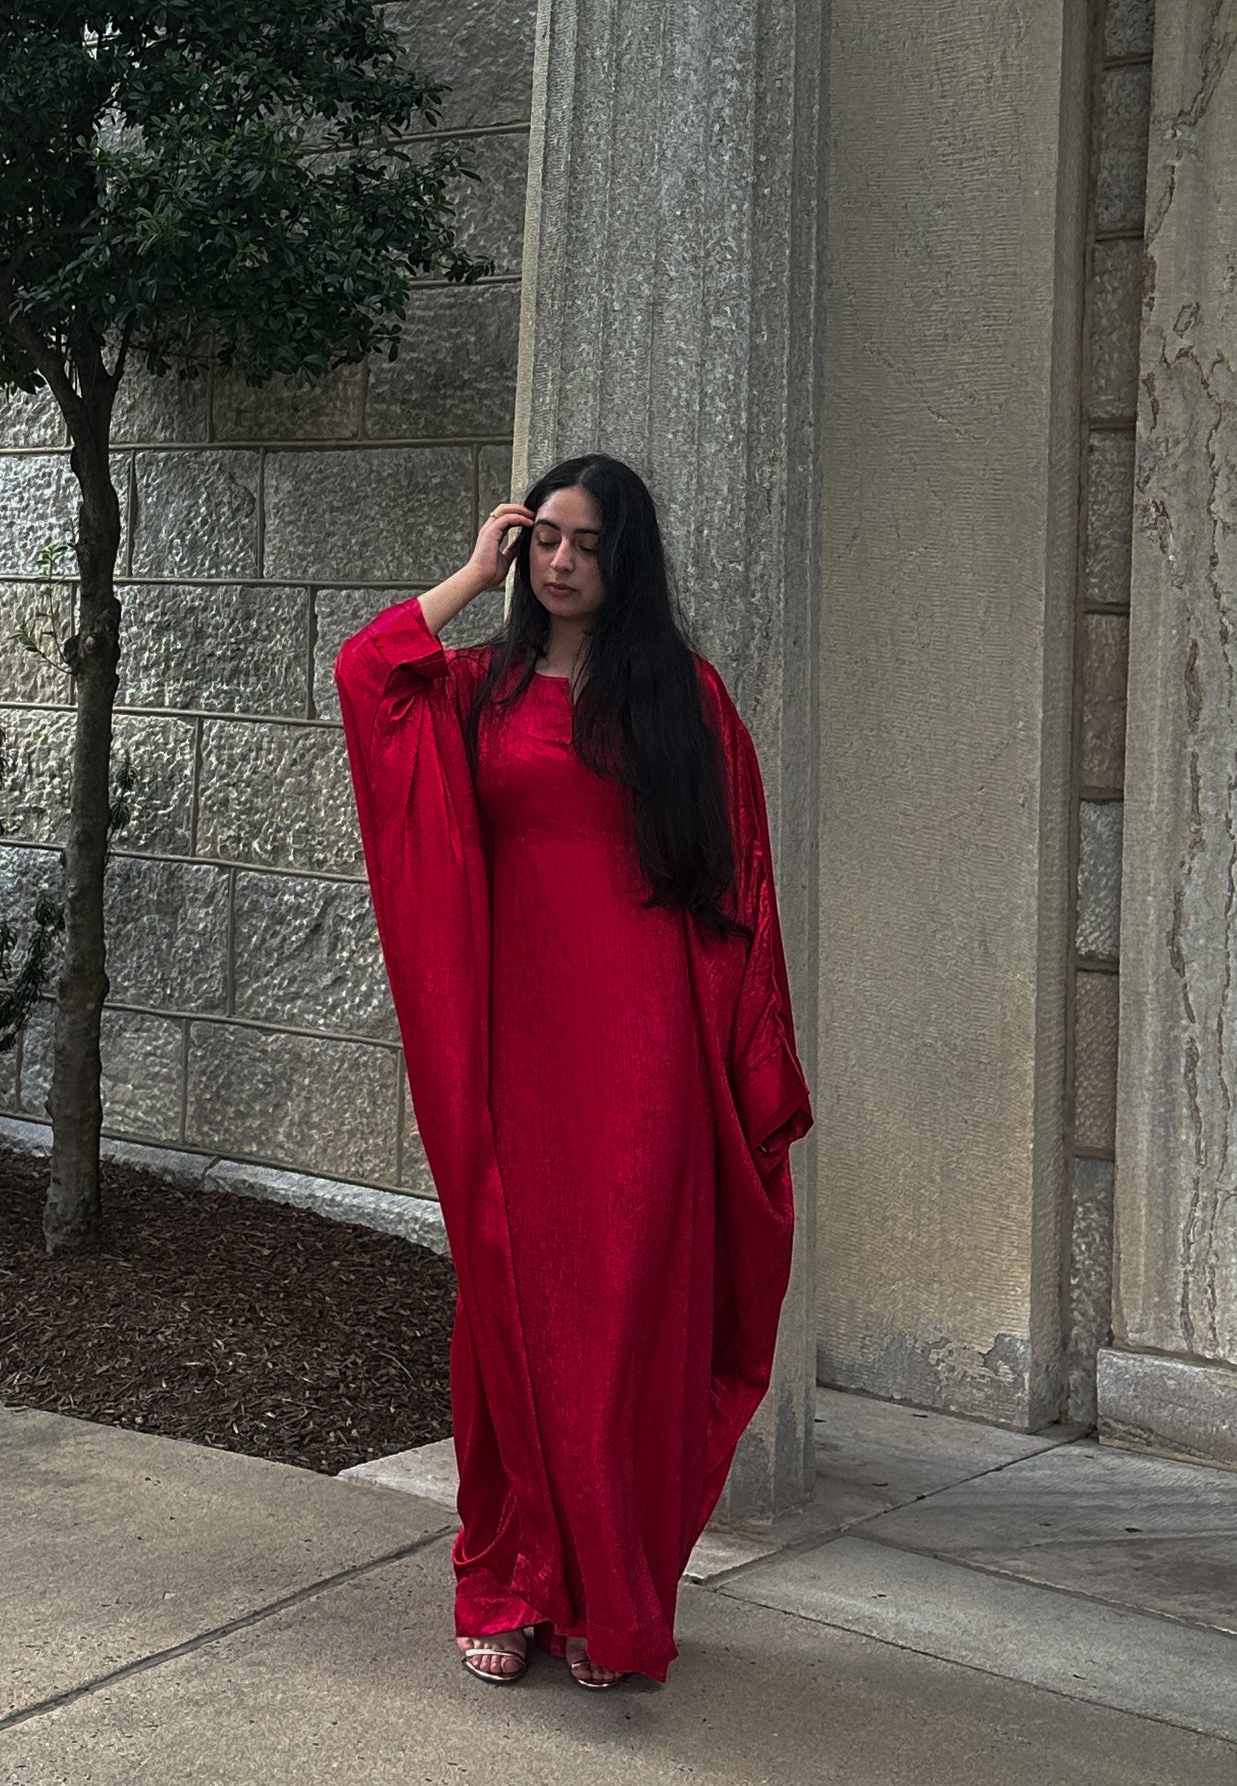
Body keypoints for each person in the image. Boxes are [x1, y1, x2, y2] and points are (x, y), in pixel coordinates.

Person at [335, 453, 813, 1690]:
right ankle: (504, 1579)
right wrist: (464, 573)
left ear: (625, 560)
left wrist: (736, 1063)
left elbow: (737, 889)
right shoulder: (474, 690)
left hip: (645, 1051)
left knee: (622, 1322)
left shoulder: (683, 702)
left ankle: (609, 1599)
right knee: (510, 1316)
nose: (559, 561)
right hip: (516, 1050)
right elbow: (363, 672)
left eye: (585, 543)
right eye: (542, 537)